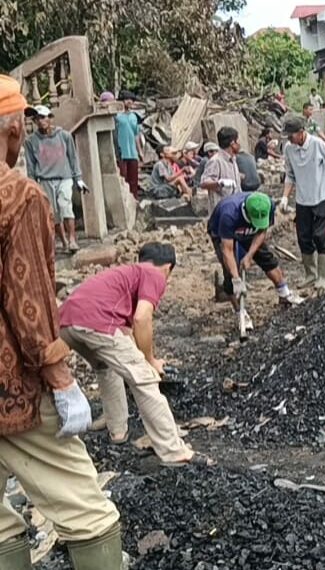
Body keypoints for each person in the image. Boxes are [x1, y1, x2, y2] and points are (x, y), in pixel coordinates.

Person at [0, 74, 123, 570]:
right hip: (13, 385)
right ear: (11, 130)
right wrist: (61, 378)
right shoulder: (18, 196)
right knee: (86, 508)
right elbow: (27, 301)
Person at [59, 242, 208, 467]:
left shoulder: (126, 275)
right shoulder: (155, 274)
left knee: (106, 367)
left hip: (67, 323)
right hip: (97, 322)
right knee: (145, 380)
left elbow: (126, 334)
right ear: (168, 267)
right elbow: (142, 319)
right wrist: (149, 362)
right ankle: (173, 451)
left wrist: (146, 356)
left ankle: (117, 430)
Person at [208, 191, 303, 332]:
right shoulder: (229, 214)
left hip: (249, 233)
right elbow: (227, 250)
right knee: (229, 274)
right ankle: (240, 313)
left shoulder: (268, 205)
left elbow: (262, 231)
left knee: (268, 260)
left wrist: (249, 255)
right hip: (222, 234)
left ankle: (285, 294)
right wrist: (236, 279)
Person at [280, 116, 325, 292]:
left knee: (320, 236)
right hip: (303, 200)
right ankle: (310, 274)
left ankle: (322, 277)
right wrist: (285, 197)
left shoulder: (317, 145)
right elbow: (290, 174)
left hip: (322, 197)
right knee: (303, 238)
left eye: (291, 135)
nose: (289, 139)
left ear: (301, 132)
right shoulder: (289, 149)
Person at [23, 105, 85, 252]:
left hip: (64, 177)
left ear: (50, 118)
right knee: (54, 214)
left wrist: (79, 178)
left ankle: (72, 239)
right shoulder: (31, 142)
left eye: (43, 117)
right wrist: (33, 185)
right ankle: (63, 241)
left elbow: (73, 158)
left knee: (66, 207)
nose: (40, 121)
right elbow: (31, 166)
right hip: (45, 179)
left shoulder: (64, 136)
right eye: (37, 118)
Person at [201, 127, 242, 210]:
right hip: (221, 210)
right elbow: (204, 183)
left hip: (235, 207)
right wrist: (219, 183)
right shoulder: (216, 161)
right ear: (232, 143)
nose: (239, 144)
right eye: (238, 141)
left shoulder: (233, 160)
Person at [115, 90, 143, 198]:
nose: (129, 102)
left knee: (134, 180)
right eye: (127, 99)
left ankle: (134, 201)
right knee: (123, 178)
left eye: (131, 100)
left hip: (133, 152)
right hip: (122, 152)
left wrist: (140, 151)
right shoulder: (117, 116)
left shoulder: (134, 117)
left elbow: (136, 135)